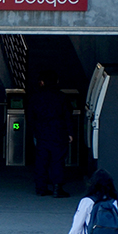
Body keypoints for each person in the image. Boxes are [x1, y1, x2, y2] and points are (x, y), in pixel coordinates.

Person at [28, 69, 72, 197]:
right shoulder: (62, 97)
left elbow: (30, 116)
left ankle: (41, 188)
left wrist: (33, 131)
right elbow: (68, 115)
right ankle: (57, 188)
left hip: (41, 133)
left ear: (42, 82)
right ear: (56, 81)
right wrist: (70, 133)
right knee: (57, 161)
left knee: (41, 161)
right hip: (59, 132)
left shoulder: (36, 97)